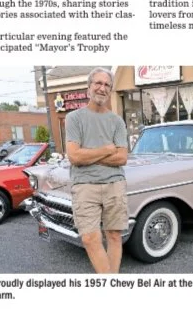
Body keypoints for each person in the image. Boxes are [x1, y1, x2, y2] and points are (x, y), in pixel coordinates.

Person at [65, 68, 128, 274]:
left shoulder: (117, 121)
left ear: (110, 90)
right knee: (90, 238)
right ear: (89, 87)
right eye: (98, 83)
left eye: (107, 85)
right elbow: (74, 157)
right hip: (85, 186)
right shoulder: (74, 118)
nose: (102, 88)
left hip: (114, 184)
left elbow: (122, 158)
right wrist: (107, 149)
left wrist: (89, 155)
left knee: (114, 236)